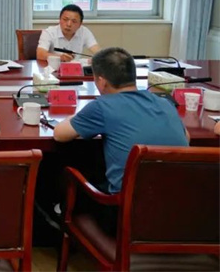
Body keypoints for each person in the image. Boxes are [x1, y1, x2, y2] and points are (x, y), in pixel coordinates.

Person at [54, 47, 188, 197]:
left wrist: (75, 117)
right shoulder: (165, 103)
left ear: (102, 82)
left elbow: (60, 134)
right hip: (176, 199)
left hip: (128, 203)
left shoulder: (102, 107)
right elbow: (186, 137)